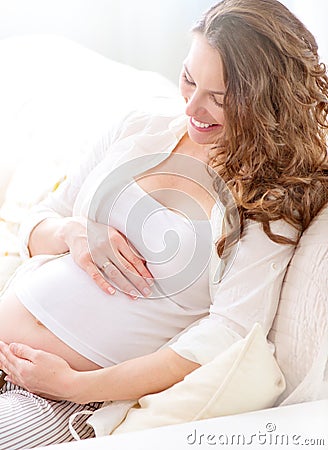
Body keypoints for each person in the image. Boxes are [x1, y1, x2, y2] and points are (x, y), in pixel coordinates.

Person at [0, 0, 328, 447]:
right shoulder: (142, 124)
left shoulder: (268, 201)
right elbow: (39, 220)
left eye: (220, 97)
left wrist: (73, 386)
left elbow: (227, 334)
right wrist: (75, 233)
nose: (193, 105)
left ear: (268, 100)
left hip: (57, 399)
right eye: (190, 79)